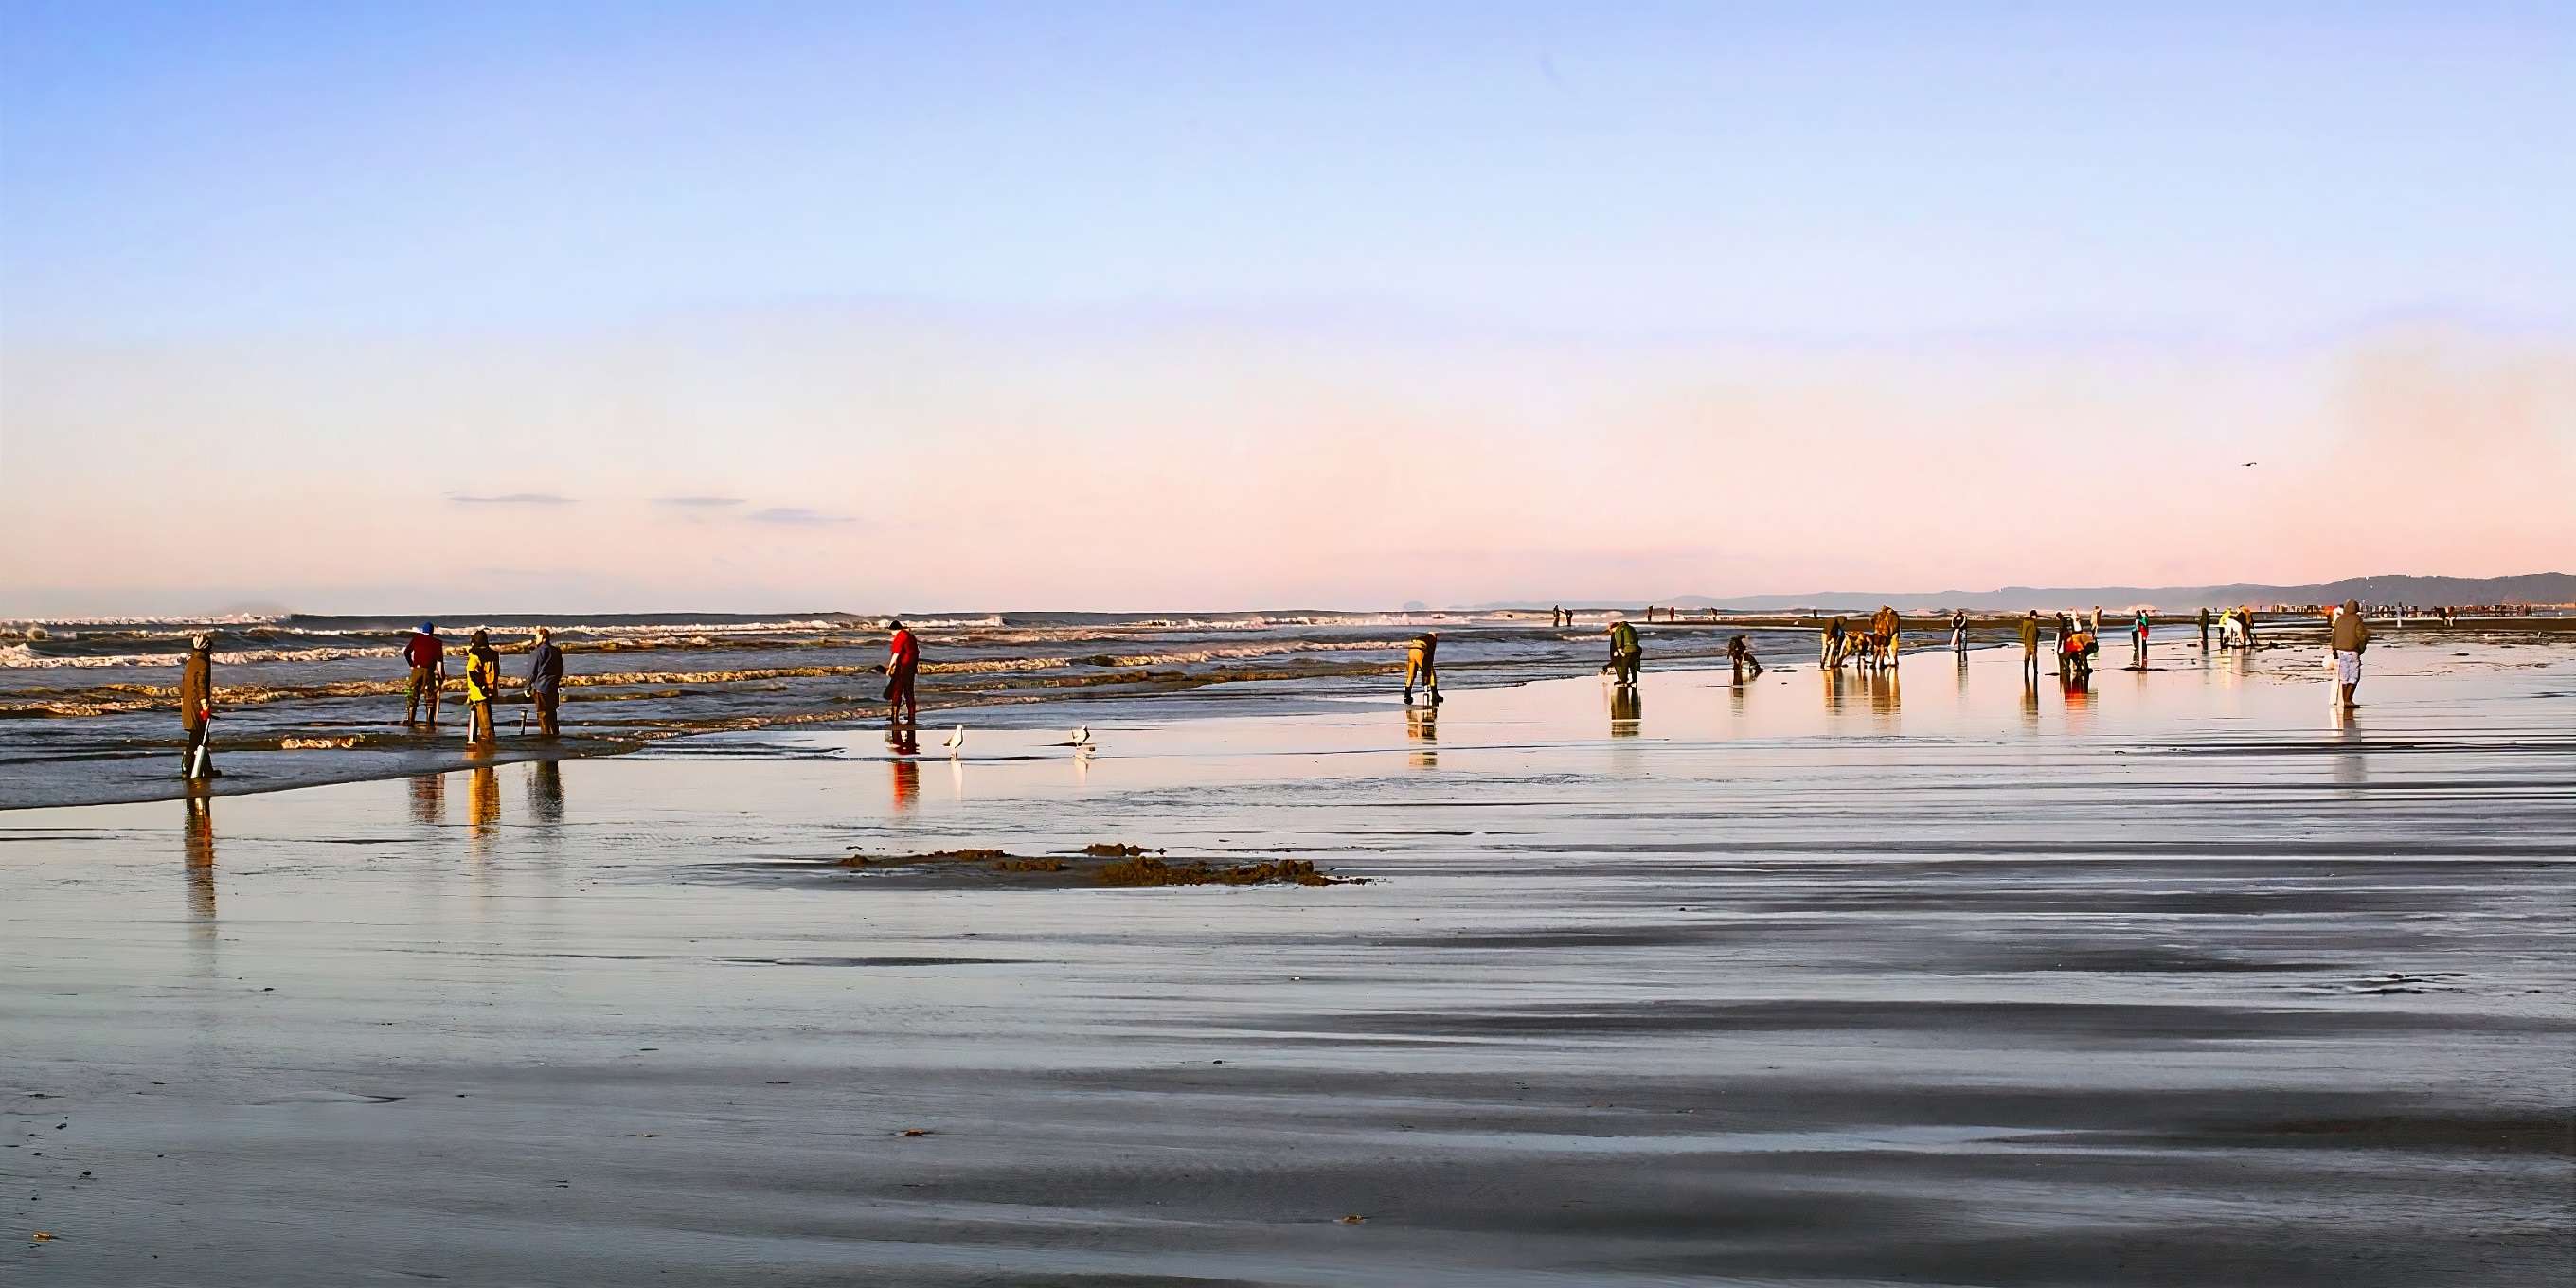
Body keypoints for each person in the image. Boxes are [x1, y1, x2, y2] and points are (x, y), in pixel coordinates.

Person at [179, 634, 218, 778]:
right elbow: (201, 685)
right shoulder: (203, 662)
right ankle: (189, 770)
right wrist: (205, 705)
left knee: (199, 738)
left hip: (188, 705)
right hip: (196, 706)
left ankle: (205, 769)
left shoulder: (192, 661)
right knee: (198, 739)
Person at [525, 626, 565, 737]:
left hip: (540, 686)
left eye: (536, 637)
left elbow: (532, 673)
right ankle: (555, 734)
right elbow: (560, 669)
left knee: (542, 713)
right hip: (553, 686)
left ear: (543, 638)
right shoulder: (556, 651)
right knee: (552, 713)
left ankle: (546, 736)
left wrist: (528, 686)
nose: (535, 639)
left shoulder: (536, 653)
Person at [2330, 599, 2370, 708]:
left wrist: (2334, 649)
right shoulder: (2357, 619)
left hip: (2341, 650)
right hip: (2353, 650)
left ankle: (2344, 699)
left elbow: (2334, 635)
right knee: (2354, 675)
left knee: (2344, 675)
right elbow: (2362, 636)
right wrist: (2361, 649)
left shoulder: (2340, 619)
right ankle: (2348, 699)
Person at [402, 621, 444, 724]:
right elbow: (440, 662)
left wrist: (411, 664)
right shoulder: (437, 642)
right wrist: (441, 676)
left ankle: (411, 720)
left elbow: (407, 652)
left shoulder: (417, 639)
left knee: (413, 695)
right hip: (430, 671)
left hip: (418, 669)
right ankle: (430, 722)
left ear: (422, 631)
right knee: (430, 696)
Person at [462, 630, 500, 743]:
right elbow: (496, 672)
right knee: (486, 716)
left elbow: (472, 673)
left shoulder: (475, 656)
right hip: (491, 689)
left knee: (484, 720)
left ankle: (487, 741)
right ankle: (485, 738)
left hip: (479, 692)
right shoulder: (494, 655)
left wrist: (481, 686)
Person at [885, 618, 921, 723]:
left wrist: (890, 666)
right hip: (912, 666)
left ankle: (894, 715)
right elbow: (916, 651)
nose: (891, 634)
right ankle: (911, 715)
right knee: (909, 690)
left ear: (894, 630)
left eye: (891, 632)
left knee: (897, 690)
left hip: (903, 667)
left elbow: (896, 653)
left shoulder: (900, 636)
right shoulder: (910, 635)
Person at [1404, 630, 1440, 705]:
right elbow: (1430, 658)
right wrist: (1425, 674)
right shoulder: (1432, 640)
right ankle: (1435, 694)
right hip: (1420, 650)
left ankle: (1407, 695)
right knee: (1430, 671)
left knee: (1411, 673)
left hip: (1412, 648)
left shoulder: (1422, 637)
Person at [1606, 617, 1641, 686]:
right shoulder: (1631, 628)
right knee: (1633, 665)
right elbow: (1637, 638)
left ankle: (1623, 681)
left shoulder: (1619, 630)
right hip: (1637, 648)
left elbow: (1619, 641)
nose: (1612, 631)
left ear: (1614, 627)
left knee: (1624, 665)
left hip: (1628, 649)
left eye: (1612, 630)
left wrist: (1621, 651)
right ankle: (1634, 680)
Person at [2018, 611, 2041, 679]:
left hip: (2027, 643)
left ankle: (2026, 671)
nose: (2037, 617)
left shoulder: (2026, 623)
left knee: (2027, 657)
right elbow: (2037, 633)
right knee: (2034, 657)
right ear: (2033, 616)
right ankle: (2035, 671)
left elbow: (2023, 635)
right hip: (2033, 643)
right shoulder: (2032, 623)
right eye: (2036, 616)